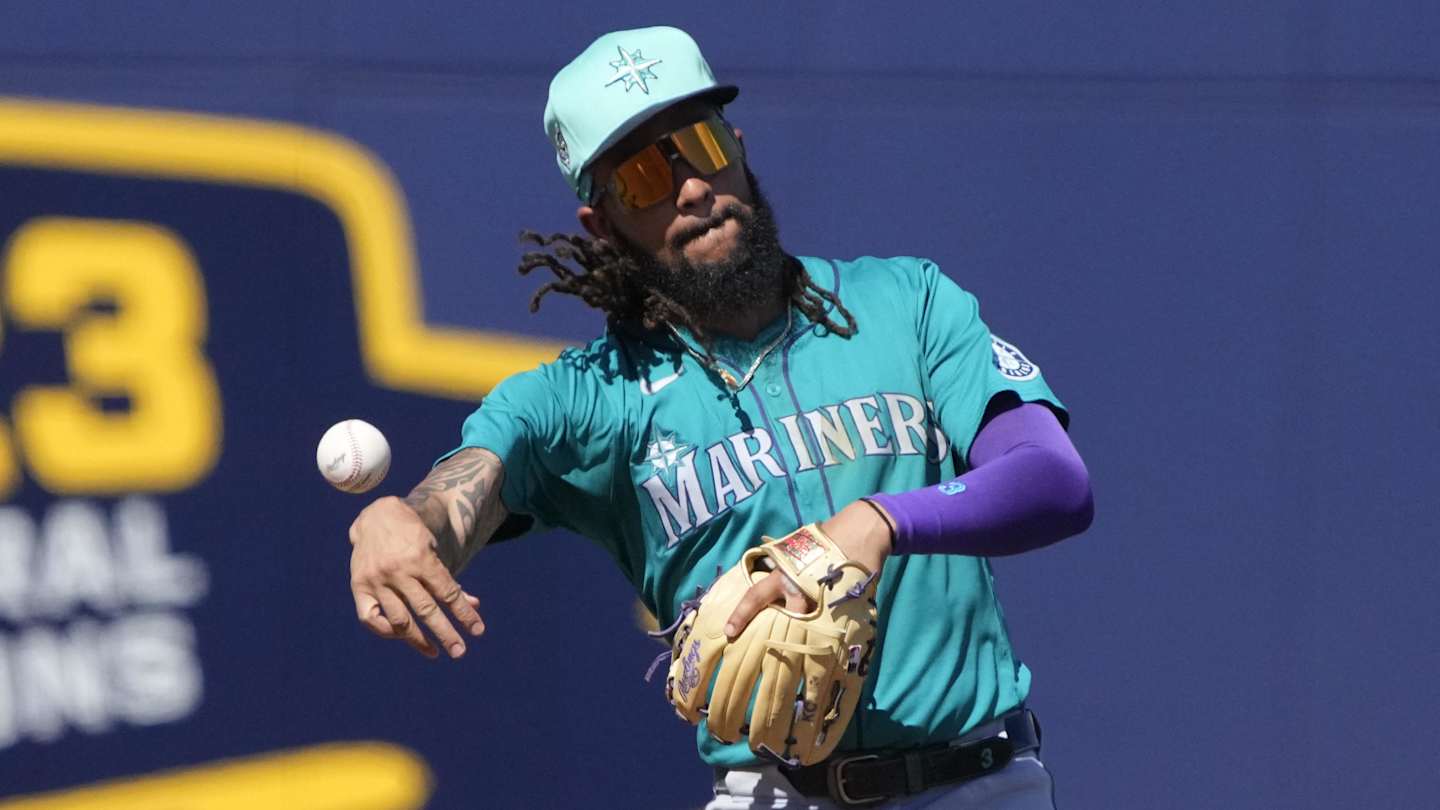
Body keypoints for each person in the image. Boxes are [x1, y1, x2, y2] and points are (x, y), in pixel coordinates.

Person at [347, 25, 1094, 809]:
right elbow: (461, 496)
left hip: (978, 783)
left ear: (737, 148)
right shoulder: (588, 397)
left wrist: (878, 521)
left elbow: (1055, 481)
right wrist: (401, 519)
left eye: (698, 145)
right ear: (602, 225)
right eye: (642, 176)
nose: (691, 189)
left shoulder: (905, 305)